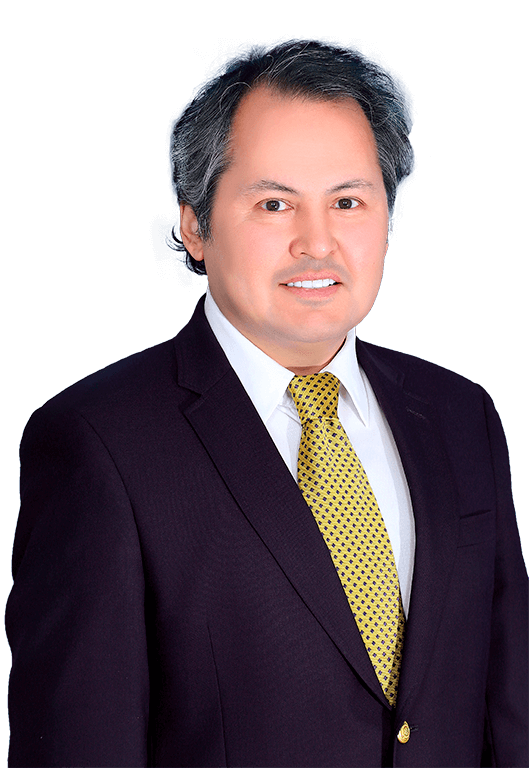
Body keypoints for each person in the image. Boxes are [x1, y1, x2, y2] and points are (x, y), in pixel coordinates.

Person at [7, 38, 528, 768]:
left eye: (347, 202)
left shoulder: (459, 413)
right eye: (274, 204)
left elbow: (507, 710)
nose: (317, 243)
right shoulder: (97, 441)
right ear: (195, 226)